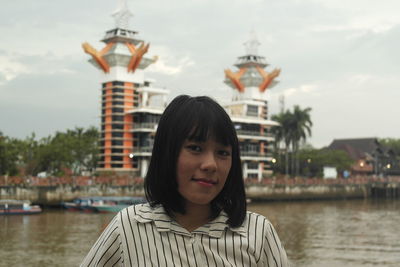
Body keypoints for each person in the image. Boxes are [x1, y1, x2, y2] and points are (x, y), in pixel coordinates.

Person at [80, 95, 289, 267]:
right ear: (167, 154)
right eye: (195, 148)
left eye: (223, 152)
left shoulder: (258, 233)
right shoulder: (129, 227)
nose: (211, 165)